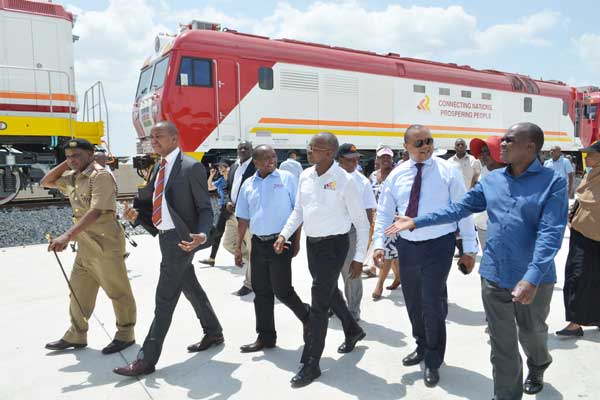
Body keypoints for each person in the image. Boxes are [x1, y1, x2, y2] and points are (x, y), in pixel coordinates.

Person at [386, 122, 568, 399]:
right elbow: (458, 209)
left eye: (509, 140)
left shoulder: (553, 182)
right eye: (502, 140)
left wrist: (531, 278)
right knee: (502, 344)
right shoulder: (492, 180)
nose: (501, 144)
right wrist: (416, 221)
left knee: (532, 334)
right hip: (494, 275)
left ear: (530, 147)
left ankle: (538, 364)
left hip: (534, 278)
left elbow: (551, 234)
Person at [372, 125, 479, 388]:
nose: (426, 147)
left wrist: (468, 248)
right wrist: (378, 245)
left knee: (432, 301)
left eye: (429, 141)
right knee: (413, 302)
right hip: (407, 247)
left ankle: (433, 359)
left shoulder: (448, 172)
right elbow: (385, 213)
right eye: (419, 143)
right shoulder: (396, 176)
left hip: (439, 245)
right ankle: (421, 345)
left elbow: (462, 210)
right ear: (406, 146)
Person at [114, 121, 222, 377]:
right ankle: (214, 332)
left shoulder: (191, 167)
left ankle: (146, 359)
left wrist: (202, 235)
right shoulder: (157, 168)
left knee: (164, 299)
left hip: (183, 241)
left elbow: (206, 208)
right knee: (190, 286)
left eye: (159, 136)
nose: (154, 140)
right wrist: (135, 214)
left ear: (174, 139)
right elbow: (151, 204)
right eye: (152, 137)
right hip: (165, 238)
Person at [274, 132, 369, 388]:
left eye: (313, 148)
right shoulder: (305, 175)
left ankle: (312, 362)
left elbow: (362, 223)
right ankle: (353, 329)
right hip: (312, 245)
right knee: (329, 292)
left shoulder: (345, 181)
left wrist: (359, 258)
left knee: (318, 304)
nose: (308, 151)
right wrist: (285, 234)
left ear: (329, 153)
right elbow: (299, 210)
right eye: (309, 147)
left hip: (335, 246)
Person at [41, 139, 136, 355]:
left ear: (91, 154)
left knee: (117, 292)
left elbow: (96, 212)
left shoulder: (100, 176)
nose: (72, 160)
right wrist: (68, 163)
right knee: (77, 291)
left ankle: (125, 333)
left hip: (105, 244)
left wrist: (66, 236)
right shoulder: (74, 176)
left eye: (77, 155)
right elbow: (46, 182)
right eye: (68, 156)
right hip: (85, 245)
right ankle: (77, 333)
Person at [234, 145, 310, 352]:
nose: (271, 160)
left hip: (280, 241)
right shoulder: (248, 184)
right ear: (256, 162)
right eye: (266, 158)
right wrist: (239, 247)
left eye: (273, 157)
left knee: (282, 290)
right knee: (261, 292)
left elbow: (298, 211)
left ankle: (307, 317)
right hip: (258, 243)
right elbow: (243, 217)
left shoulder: (287, 179)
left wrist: (295, 241)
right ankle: (266, 337)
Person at [557, 141, 600, 337]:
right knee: (577, 275)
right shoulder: (591, 175)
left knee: (584, 276)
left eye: (590, 155)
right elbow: (583, 200)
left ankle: (582, 322)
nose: (587, 158)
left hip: (593, 237)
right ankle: (576, 321)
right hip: (582, 235)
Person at [336, 143, 377, 320]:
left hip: (352, 232)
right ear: (339, 160)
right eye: (349, 160)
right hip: (330, 231)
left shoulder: (363, 182)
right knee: (328, 273)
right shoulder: (329, 177)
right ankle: (335, 304)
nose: (354, 163)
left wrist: (366, 237)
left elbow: (369, 210)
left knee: (352, 272)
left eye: (356, 159)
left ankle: (353, 309)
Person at [222, 141, 256, 296]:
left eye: (246, 148)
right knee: (228, 243)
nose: (242, 150)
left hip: (248, 216)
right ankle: (257, 267)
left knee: (251, 249)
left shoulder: (255, 165)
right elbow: (231, 187)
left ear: (251, 150)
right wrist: (229, 201)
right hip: (233, 213)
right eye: (240, 148)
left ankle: (249, 284)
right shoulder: (235, 166)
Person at [369, 146, 401, 299]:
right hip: (378, 218)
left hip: (393, 218)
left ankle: (379, 285)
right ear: (378, 159)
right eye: (383, 157)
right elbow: (368, 196)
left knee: (387, 251)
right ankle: (399, 277)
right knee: (393, 252)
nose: (386, 160)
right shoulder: (373, 176)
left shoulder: (397, 175)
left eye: (388, 157)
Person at [469, 136, 505, 248]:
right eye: (482, 152)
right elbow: (471, 197)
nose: (483, 155)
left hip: (501, 229)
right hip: (482, 227)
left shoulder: (510, 175)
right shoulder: (479, 173)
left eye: (487, 151)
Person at [200, 160, 230, 266]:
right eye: (219, 167)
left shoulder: (233, 179)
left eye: (223, 167)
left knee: (243, 233)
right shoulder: (221, 180)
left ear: (228, 168)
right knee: (218, 233)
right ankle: (212, 258)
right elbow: (209, 187)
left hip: (234, 209)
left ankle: (247, 255)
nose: (220, 169)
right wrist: (211, 175)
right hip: (223, 208)